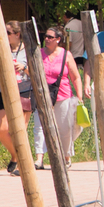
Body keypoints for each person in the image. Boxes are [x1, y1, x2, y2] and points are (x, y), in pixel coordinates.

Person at [30, 24, 84, 167]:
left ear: (58, 39)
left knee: (64, 128)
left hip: (62, 96)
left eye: (50, 37)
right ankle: (39, 159)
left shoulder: (66, 55)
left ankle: (66, 156)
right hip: (42, 95)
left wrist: (79, 97)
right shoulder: (38, 53)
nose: (46, 39)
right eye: (45, 37)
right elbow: (32, 72)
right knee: (40, 127)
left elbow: (76, 77)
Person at [0, 22, 31, 174]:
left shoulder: (26, 50)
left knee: (19, 130)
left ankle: (22, 164)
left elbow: (36, 72)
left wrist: (24, 67)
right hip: (3, 90)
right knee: (1, 129)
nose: (5, 35)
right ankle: (15, 155)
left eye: (7, 32)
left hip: (23, 90)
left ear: (17, 34)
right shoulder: (2, 47)